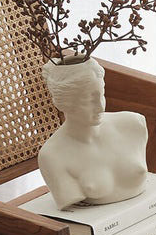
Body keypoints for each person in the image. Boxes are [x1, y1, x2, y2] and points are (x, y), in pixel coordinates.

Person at [38, 58, 148, 210]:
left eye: (101, 94)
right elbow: (67, 199)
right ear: (65, 102)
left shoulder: (133, 124)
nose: (100, 107)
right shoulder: (52, 155)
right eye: (88, 100)